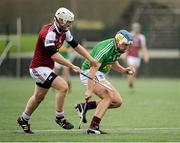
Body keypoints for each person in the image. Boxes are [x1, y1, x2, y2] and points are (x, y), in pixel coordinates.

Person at [17, 7, 98, 134]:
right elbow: (53, 55)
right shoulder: (48, 32)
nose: (69, 25)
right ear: (60, 20)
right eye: (67, 22)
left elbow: (76, 45)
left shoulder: (64, 31)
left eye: (70, 22)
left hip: (47, 68)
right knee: (63, 87)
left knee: (38, 97)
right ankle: (59, 117)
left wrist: (90, 59)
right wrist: (71, 66)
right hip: (38, 68)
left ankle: (23, 119)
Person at [75, 30, 136, 134]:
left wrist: (124, 70)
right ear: (118, 41)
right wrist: (89, 90)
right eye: (125, 45)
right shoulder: (105, 49)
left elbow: (112, 62)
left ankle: (84, 107)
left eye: (128, 45)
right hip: (89, 73)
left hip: (99, 74)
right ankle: (93, 127)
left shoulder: (118, 48)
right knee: (108, 96)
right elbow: (92, 69)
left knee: (117, 102)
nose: (127, 47)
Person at [126, 22, 149, 91]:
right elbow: (126, 46)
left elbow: (143, 47)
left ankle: (131, 84)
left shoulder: (141, 37)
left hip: (137, 57)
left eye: (138, 28)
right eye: (135, 28)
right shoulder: (129, 35)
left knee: (134, 72)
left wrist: (146, 55)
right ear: (133, 28)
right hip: (130, 56)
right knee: (132, 70)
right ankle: (130, 83)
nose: (137, 29)